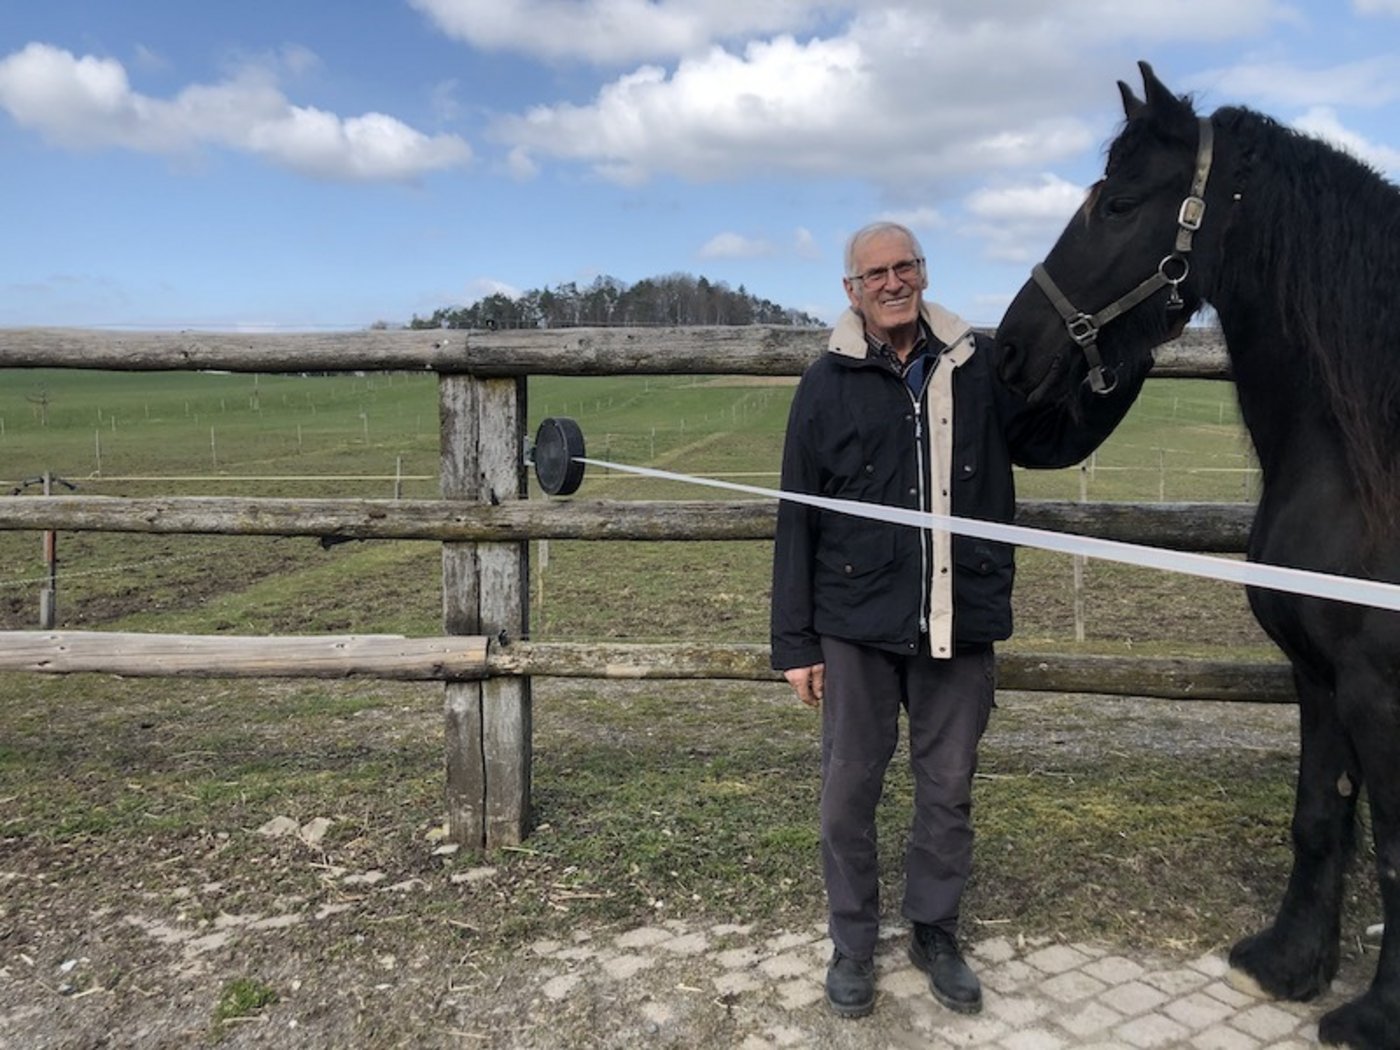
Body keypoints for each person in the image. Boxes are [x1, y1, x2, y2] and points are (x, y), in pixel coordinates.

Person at [770, 221, 1147, 1019]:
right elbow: (797, 518)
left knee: (947, 790)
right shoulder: (824, 384)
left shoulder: (980, 366)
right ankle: (853, 942)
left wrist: (1127, 367)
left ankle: (934, 931)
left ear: (924, 272)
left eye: (905, 266)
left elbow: (1051, 439)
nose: (893, 282)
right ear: (851, 290)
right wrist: (795, 643)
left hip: (959, 615)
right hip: (855, 621)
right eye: (876, 273)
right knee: (847, 793)